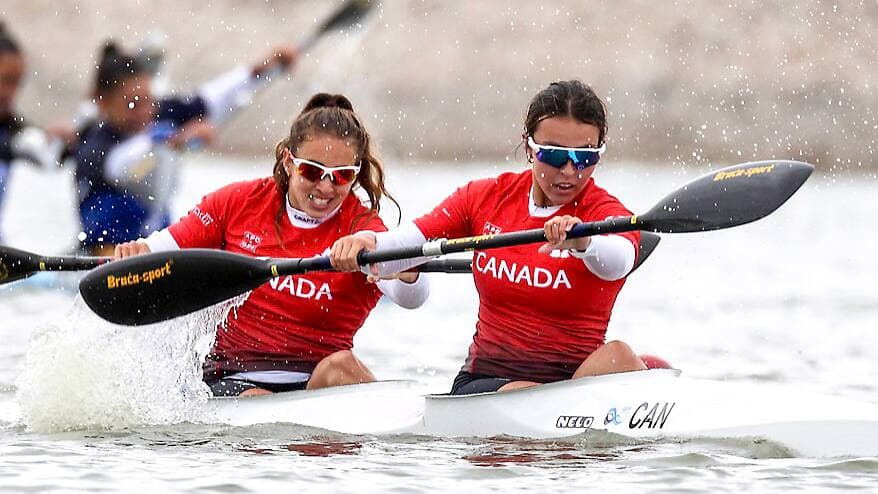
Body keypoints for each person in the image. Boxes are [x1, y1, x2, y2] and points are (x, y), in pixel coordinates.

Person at [331, 80, 650, 395]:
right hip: (487, 385)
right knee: (529, 393)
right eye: (554, 156)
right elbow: (409, 244)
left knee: (619, 355)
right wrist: (368, 244)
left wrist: (584, 242)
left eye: (585, 157)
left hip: (571, 385)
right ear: (529, 146)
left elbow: (619, 262)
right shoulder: (485, 198)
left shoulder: (606, 212)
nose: (569, 170)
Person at [114, 93, 429, 397]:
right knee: (256, 397)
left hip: (317, 385)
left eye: (341, 176)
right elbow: (165, 246)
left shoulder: (365, 230)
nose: (325, 187)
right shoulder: (239, 202)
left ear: (356, 174)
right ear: (288, 161)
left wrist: (398, 266)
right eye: (312, 171)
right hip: (233, 377)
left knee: (342, 366)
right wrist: (137, 252)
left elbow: (413, 297)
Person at [69, 40, 297, 255]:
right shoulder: (93, 145)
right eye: (132, 103)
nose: (144, 112)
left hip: (152, 251)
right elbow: (119, 165)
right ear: (102, 102)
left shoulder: (159, 115)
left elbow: (210, 99)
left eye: (148, 100)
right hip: (105, 253)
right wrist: (174, 139)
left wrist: (257, 70)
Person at [0, 22, 58, 241]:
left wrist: (55, 139)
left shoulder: (12, 127)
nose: (11, 93)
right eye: (6, 81)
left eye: (17, 83)